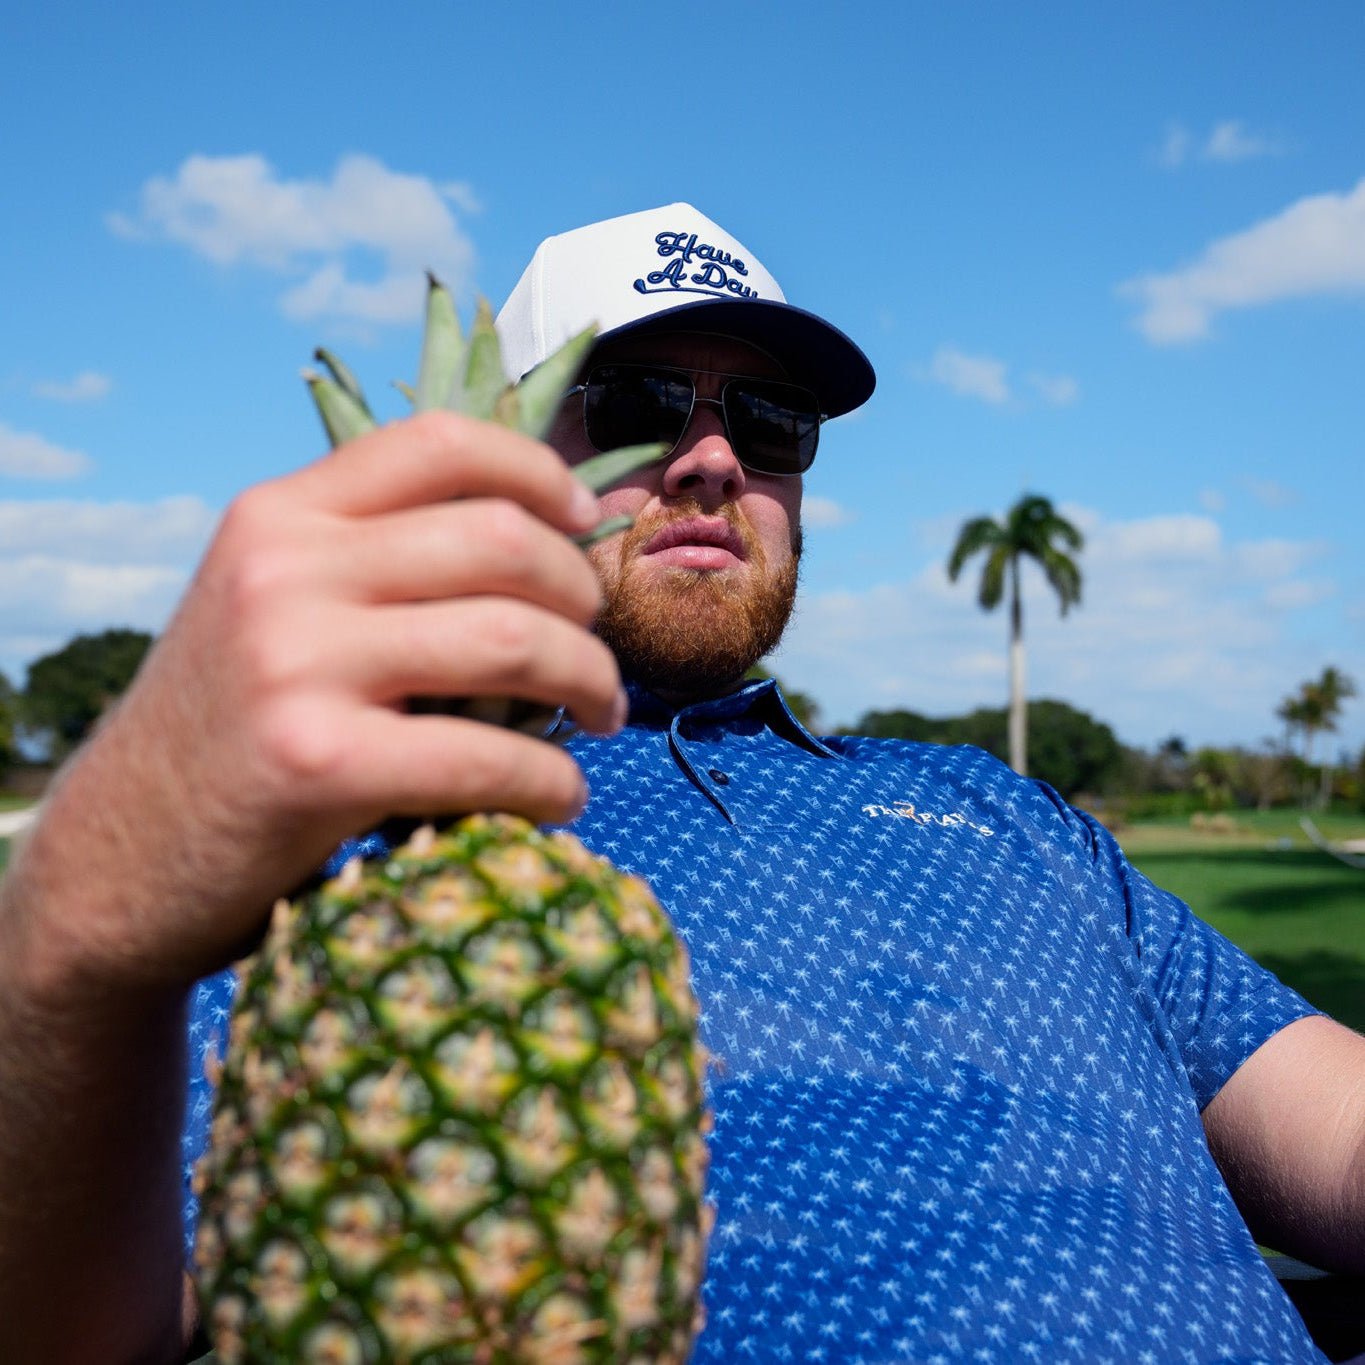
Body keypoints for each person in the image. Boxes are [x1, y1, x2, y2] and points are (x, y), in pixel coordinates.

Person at [0, 203, 1361, 1364]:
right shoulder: (341, 866)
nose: (715, 457)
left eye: (769, 418)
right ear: (497, 457)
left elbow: (1338, 1124)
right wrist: (74, 931)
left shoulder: (1000, 812)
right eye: (645, 401)